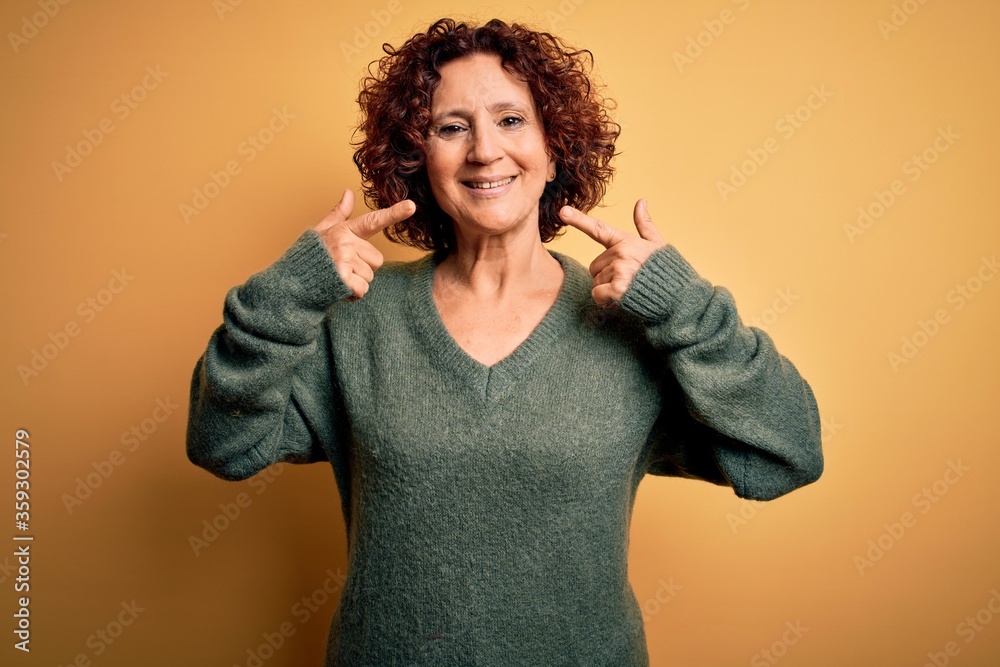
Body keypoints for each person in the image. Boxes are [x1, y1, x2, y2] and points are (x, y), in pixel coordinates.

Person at [185, 17, 824, 666]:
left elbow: (788, 454)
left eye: (511, 120)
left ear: (555, 148)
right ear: (419, 157)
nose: (485, 150)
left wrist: (687, 308)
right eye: (451, 127)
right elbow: (222, 444)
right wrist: (287, 292)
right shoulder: (356, 319)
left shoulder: (636, 325)